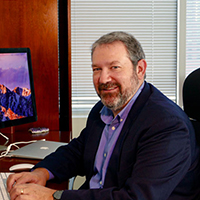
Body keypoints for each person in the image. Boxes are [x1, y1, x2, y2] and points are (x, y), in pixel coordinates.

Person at [7, 31, 200, 200]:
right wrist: (42, 172)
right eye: (96, 69)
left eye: (114, 67)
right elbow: (78, 151)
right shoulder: (104, 108)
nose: (103, 79)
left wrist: (53, 196)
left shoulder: (167, 126)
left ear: (139, 69)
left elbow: (137, 197)